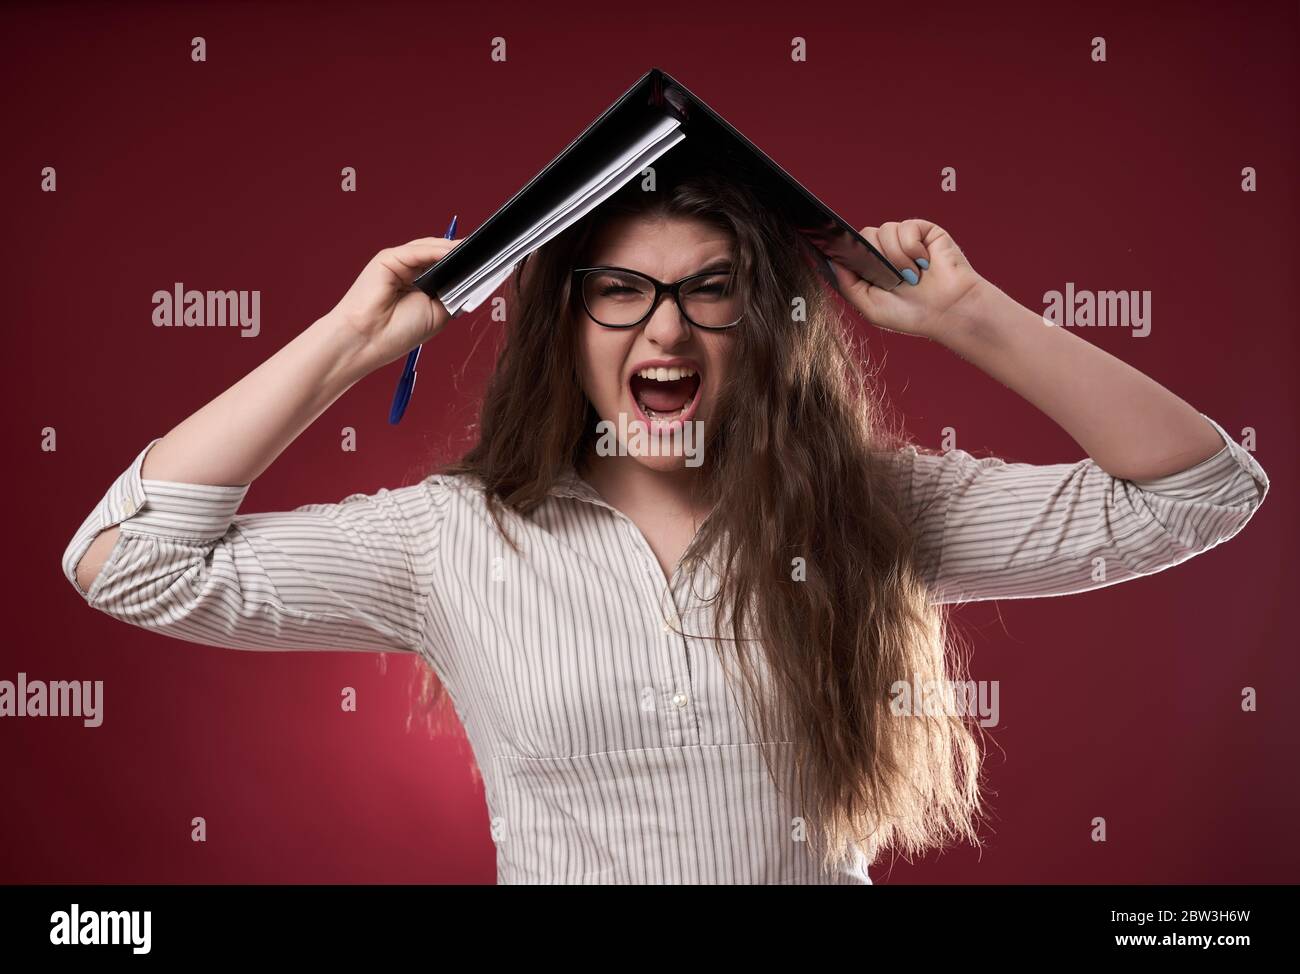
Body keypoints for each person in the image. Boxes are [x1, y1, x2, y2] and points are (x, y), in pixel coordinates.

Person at [62, 163, 1268, 884]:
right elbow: (127, 562)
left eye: (711, 291)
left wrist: (969, 316)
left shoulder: (872, 506)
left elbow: (1204, 492)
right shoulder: (450, 539)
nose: (666, 332)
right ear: (567, 329)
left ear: (768, 325)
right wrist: (351, 343)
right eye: (621, 293)